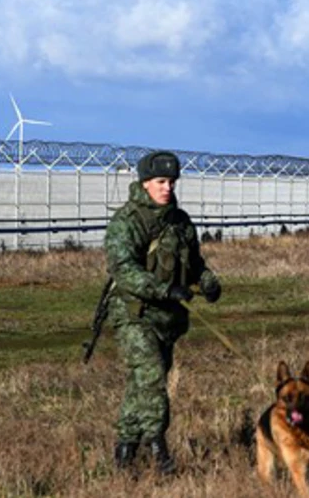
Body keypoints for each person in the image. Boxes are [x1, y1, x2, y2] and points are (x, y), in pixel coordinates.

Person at [103, 150, 222, 474]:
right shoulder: (126, 223)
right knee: (153, 376)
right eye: (160, 181)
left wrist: (209, 283)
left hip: (168, 319)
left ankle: (124, 452)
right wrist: (164, 290)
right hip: (135, 315)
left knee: (142, 383)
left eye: (171, 182)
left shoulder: (180, 223)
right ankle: (159, 452)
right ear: (144, 183)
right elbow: (123, 270)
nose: (167, 187)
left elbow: (195, 263)